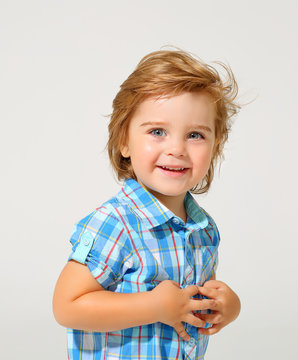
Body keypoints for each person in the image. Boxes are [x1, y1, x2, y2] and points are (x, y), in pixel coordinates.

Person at [52, 48, 241, 360]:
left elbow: (193, 303)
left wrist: (224, 306)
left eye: (195, 135)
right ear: (124, 141)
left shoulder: (203, 229)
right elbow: (67, 306)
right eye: (157, 132)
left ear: (215, 145)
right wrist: (153, 306)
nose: (177, 148)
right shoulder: (114, 223)